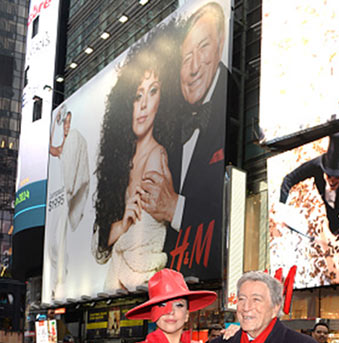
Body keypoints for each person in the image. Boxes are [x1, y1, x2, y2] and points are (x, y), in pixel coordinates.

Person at [140, 2, 228, 279]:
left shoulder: (233, 98)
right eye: (185, 56)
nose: (192, 68)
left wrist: (174, 207)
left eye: (203, 48)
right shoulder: (165, 115)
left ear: (221, 45)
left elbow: (230, 220)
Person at [94, 39, 178, 291]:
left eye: (153, 91)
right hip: (119, 279)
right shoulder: (119, 165)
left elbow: (151, 240)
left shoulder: (157, 157)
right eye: (136, 95)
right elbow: (100, 244)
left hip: (143, 279)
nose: (143, 105)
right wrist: (123, 224)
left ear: (162, 99)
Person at [48, 110, 90, 300]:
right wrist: (53, 124)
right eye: (64, 122)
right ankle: (58, 282)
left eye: (69, 122)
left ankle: (61, 283)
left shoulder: (76, 140)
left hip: (67, 197)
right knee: (52, 244)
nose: (66, 125)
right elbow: (50, 148)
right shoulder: (64, 145)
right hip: (58, 199)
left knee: (61, 240)